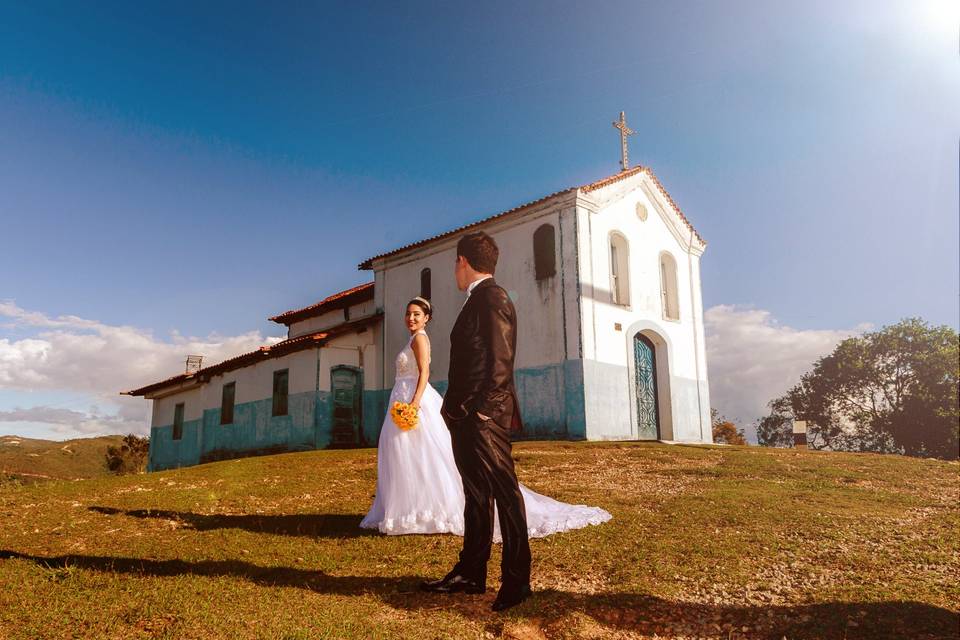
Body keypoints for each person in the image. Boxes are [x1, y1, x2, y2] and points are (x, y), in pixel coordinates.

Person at [361, 232, 611, 613]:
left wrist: (481, 412)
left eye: (455, 264)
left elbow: (500, 360)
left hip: (484, 418)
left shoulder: (492, 298)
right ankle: (470, 573)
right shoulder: (476, 300)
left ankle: (516, 580)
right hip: (465, 418)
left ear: (464, 261)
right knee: (476, 496)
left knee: (505, 493)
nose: (454, 271)